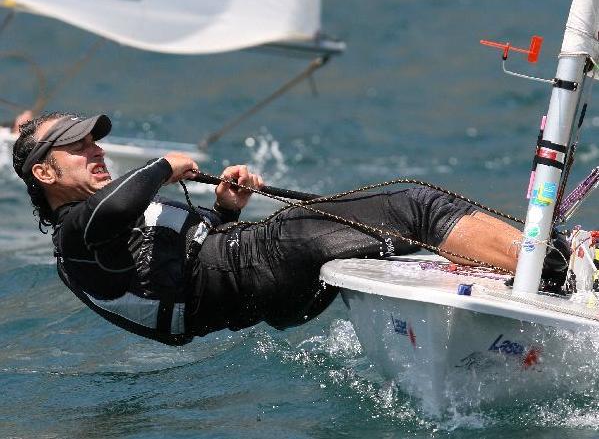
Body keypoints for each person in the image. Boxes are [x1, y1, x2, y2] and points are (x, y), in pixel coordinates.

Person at [12, 112, 565, 346]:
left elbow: (171, 269)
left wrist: (225, 210)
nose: (96, 148)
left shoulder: (98, 230)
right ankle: (558, 271)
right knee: (413, 206)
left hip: (263, 289)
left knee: (394, 234)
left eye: (93, 140)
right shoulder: (74, 233)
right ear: (44, 173)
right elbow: (110, 213)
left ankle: (500, 293)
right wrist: (161, 167)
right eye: (77, 146)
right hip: (257, 271)